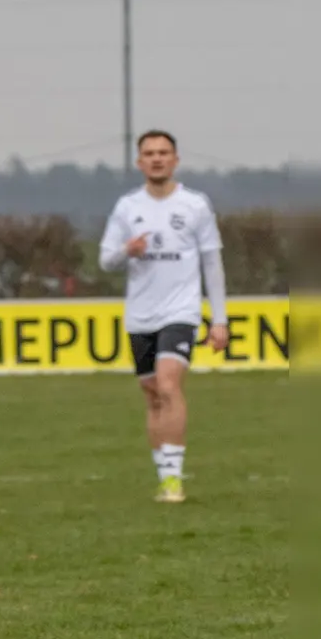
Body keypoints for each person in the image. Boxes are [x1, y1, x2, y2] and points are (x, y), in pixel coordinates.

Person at [98, 130, 228, 503]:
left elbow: (211, 263)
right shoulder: (126, 207)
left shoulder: (195, 205)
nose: (157, 158)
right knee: (153, 394)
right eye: (149, 153)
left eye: (164, 152)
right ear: (140, 162)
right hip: (140, 314)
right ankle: (164, 474)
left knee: (169, 386)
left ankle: (174, 481)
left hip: (181, 311)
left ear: (175, 160)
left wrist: (219, 319)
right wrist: (128, 250)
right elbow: (106, 259)